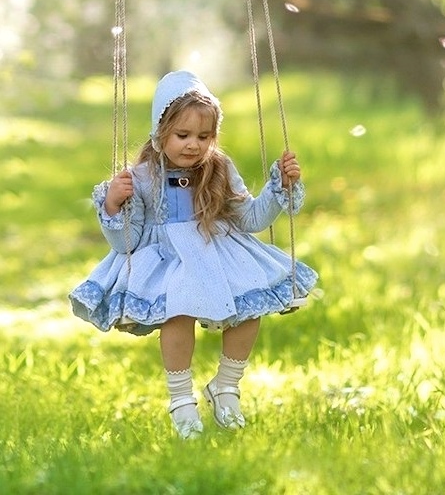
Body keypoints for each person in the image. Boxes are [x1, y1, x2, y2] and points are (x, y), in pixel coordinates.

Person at [69, 69, 317, 439]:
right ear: (159, 132)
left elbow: (249, 219)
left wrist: (276, 188)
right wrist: (113, 204)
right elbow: (126, 243)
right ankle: (181, 400)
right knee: (177, 314)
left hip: (214, 250)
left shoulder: (219, 169)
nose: (193, 145)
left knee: (249, 308)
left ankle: (226, 385)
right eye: (182, 135)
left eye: (204, 136)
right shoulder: (140, 178)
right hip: (167, 261)